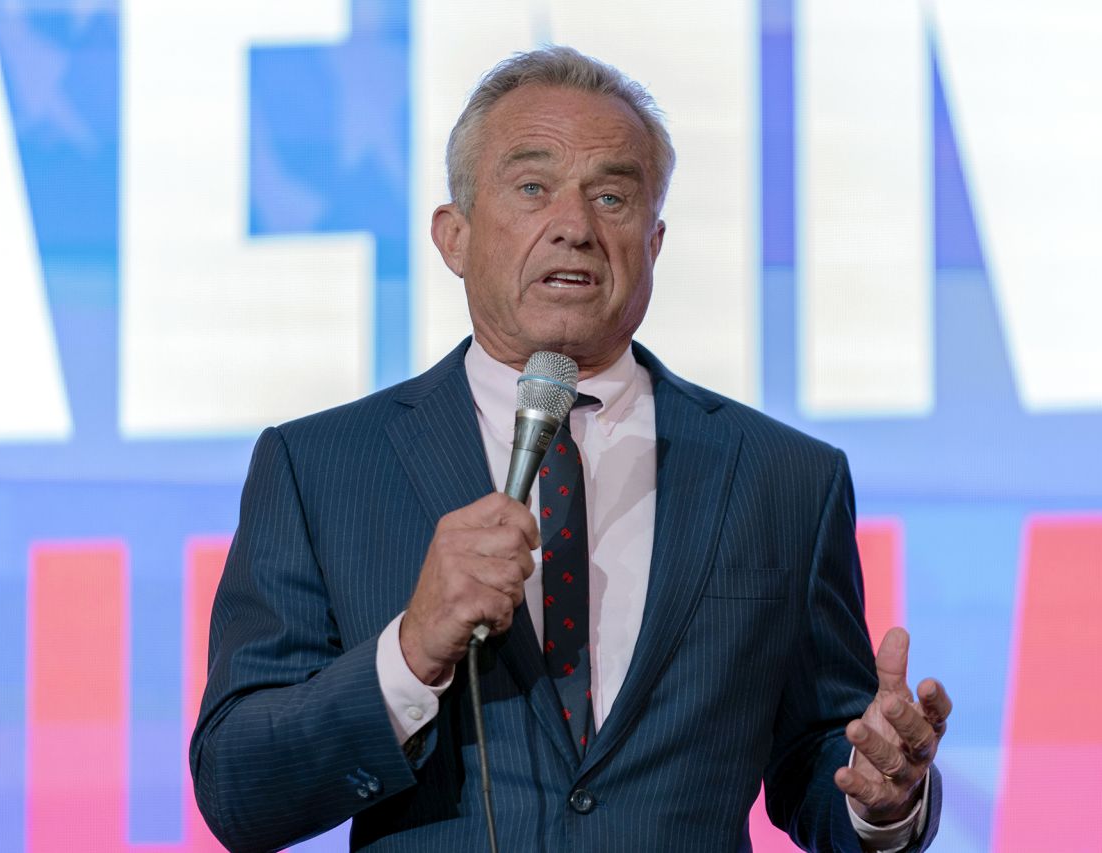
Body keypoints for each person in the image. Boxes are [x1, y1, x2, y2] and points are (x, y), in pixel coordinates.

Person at [191, 46, 950, 852]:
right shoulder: (321, 468)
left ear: (653, 244)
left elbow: (817, 760)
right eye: (531, 187)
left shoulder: (784, 478)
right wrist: (410, 651)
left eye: (613, 196)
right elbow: (241, 789)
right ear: (454, 236)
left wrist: (883, 799)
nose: (576, 227)